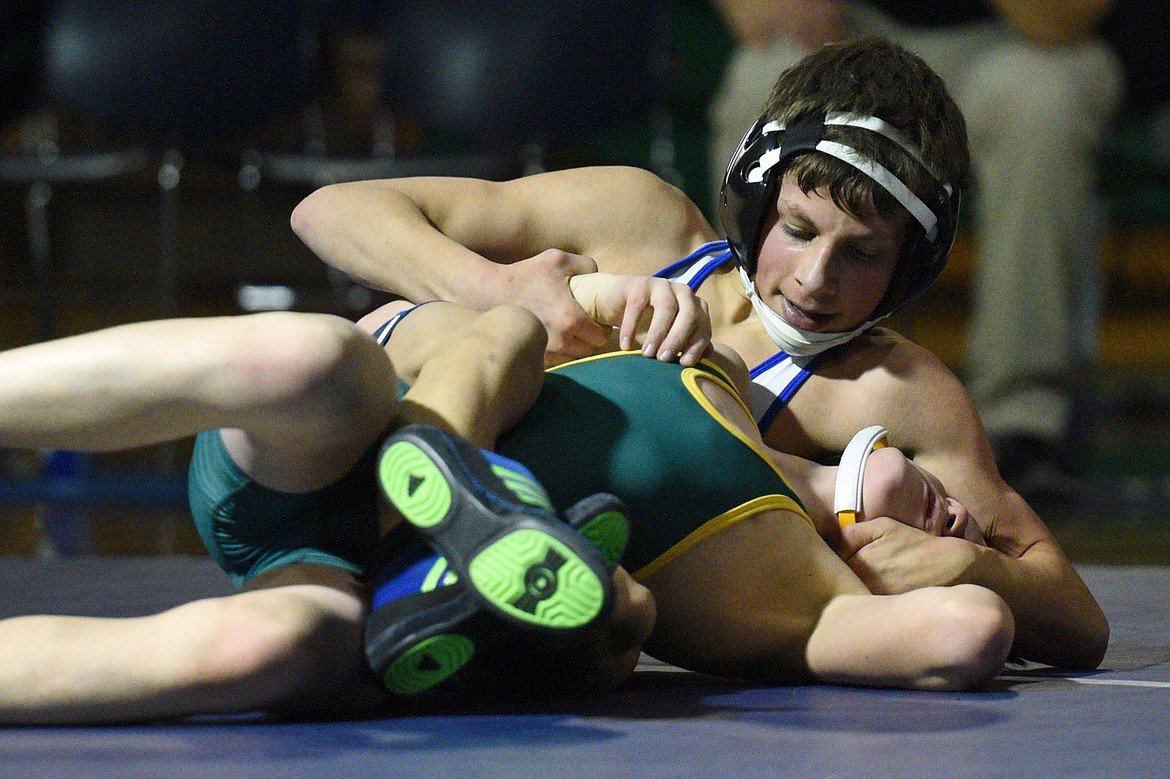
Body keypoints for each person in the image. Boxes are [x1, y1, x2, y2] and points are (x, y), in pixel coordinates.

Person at [290, 37, 1109, 670]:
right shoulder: (635, 222)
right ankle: (431, 509)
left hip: (511, 579)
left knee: (621, 618)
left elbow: (1075, 618)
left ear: (911, 266)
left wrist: (970, 568)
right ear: (756, 198)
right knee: (459, 332)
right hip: (361, 449)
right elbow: (330, 211)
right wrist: (496, 287)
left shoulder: (893, 393)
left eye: (861, 253)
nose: (818, 279)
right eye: (799, 230)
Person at [0, 280, 1007, 724]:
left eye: (949, 520)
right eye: (942, 490)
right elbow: (509, 300)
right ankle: (443, 479)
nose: (948, 509)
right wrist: (590, 289)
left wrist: (960, 572)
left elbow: (965, 631)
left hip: (345, 579)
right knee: (328, 354)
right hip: (347, 429)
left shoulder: (800, 592)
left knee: (276, 651)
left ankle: (450, 545)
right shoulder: (710, 360)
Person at [704, 1, 1124, 492]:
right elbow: (754, 17)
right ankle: (746, 379)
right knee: (758, 79)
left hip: (1011, 42)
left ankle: (1021, 424)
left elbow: (1061, 21)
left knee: (1042, 105)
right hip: (854, 39)